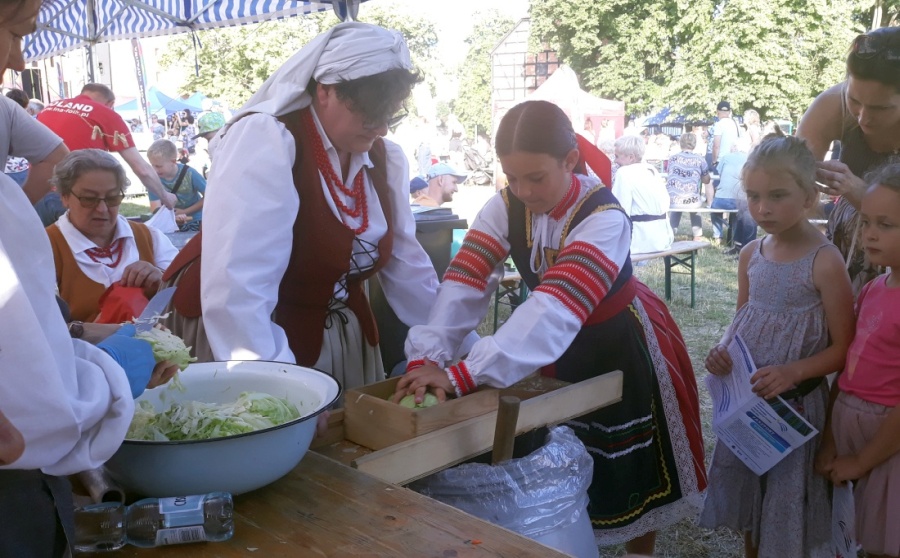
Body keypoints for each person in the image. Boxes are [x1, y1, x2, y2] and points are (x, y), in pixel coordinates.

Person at [395, 100, 706, 555]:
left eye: (535, 177)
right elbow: (467, 278)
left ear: (570, 161)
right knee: (563, 456)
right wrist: (430, 353)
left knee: (628, 465)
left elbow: (555, 307)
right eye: (512, 177)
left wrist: (463, 373)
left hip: (616, 344)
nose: (522, 190)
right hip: (550, 348)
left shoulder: (603, 218)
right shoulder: (505, 206)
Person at [186, 22, 463, 393]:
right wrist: (282, 388)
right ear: (325, 90)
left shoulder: (385, 159)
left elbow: (409, 270)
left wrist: (462, 349)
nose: (381, 128)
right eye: (368, 112)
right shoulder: (267, 141)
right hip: (249, 341)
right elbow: (239, 287)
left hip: (340, 337)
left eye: (389, 115)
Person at [0, 3, 177, 554]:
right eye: (13, 32)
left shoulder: (142, 236)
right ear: (64, 197)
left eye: (112, 199)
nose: (18, 57)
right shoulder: (42, 240)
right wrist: (113, 368)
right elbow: (30, 418)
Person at [700, 133, 855, 558]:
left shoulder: (825, 260)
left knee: (787, 511)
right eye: (753, 196)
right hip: (748, 411)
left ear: (808, 197)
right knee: (754, 504)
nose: (763, 208)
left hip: (795, 412)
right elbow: (740, 322)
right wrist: (721, 350)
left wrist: (794, 372)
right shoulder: (751, 254)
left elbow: (843, 349)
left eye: (778, 196)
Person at [816, 163, 900, 558]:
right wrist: (831, 440)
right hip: (849, 435)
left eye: (886, 224)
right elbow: (848, 373)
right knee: (853, 541)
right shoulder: (871, 289)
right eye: (866, 221)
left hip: (886, 449)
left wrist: (862, 460)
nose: (869, 233)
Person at [797, 26, 900, 296]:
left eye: (880, 108)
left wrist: (859, 191)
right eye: (855, 101)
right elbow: (792, 187)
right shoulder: (832, 103)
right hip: (847, 249)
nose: (863, 117)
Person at [47, 149, 178, 322]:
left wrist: (160, 279)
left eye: (112, 198)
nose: (102, 209)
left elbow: (187, 296)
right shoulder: (46, 246)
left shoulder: (149, 237)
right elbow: (40, 325)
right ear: (64, 197)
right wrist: (82, 331)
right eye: (88, 198)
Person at [37, 83, 177, 209]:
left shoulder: (49, 108)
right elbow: (140, 167)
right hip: (75, 196)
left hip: (37, 191)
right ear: (111, 103)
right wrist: (164, 196)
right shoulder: (105, 113)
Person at [612, 135, 673, 254]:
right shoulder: (651, 170)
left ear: (631, 157)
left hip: (640, 242)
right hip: (663, 238)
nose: (615, 161)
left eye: (617, 156)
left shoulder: (624, 173)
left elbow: (619, 211)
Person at [146, 139, 206, 231]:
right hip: (169, 222)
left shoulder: (190, 173)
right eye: (152, 165)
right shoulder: (154, 180)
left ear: (173, 162)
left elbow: (209, 196)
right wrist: (173, 217)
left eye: (158, 166)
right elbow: (155, 208)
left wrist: (185, 212)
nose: (155, 170)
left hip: (195, 220)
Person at [710, 136, 754, 249]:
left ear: (734, 147)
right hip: (741, 200)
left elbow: (719, 174)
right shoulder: (750, 159)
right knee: (738, 213)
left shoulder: (725, 157)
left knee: (714, 210)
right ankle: (735, 237)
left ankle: (717, 235)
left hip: (722, 199)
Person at [666, 132, 711, 241]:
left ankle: (671, 233)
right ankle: (697, 235)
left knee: (676, 206)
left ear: (680, 143)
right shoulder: (700, 159)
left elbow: (669, 174)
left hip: (673, 199)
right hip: (692, 199)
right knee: (695, 206)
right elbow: (706, 180)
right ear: (694, 145)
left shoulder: (673, 158)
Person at [4, 89, 30, 187]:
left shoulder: (3, 119)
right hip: (25, 169)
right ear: (26, 105)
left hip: (5, 171)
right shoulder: (31, 122)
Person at [711, 101, 742, 171]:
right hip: (735, 159)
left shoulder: (719, 124)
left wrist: (714, 161)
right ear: (729, 112)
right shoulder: (736, 124)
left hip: (722, 160)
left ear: (717, 111)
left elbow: (716, 146)